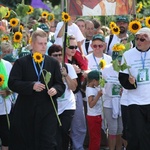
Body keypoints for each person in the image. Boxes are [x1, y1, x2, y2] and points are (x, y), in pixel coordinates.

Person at [8, 30, 65, 150]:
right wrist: (31, 85)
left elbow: (60, 84)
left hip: (47, 109)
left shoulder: (53, 63)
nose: (43, 47)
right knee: (27, 143)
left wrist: (55, 89)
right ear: (32, 44)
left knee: (47, 142)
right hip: (26, 109)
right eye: (40, 43)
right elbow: (12, 83)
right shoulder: (21, 62)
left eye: (45, 43)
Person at [119, 27, 150, 150]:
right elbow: (122, 77)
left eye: (143, 39)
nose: (139, 41)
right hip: (135, 101)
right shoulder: (128, 54)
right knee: (136, 135)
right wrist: (129, 82)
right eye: (137, 38)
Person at [48, 44, 78, 150]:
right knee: (53, 133)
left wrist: (66, 75)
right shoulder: (47, 69)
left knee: (64, 131)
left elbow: (74, 88)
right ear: (49, 56)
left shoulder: (68, 67)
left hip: (67, 106)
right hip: (53, 105)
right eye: (55, 55)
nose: (58, 57)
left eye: (60, 55)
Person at [102, 55, 123, 150]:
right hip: (109, 102)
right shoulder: (106, 69)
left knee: (120, 129)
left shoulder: (125, 69)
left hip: (122, 102)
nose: (119, 63)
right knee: (113, 129)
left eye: (120, 61)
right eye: (117, 61)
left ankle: (119, 148)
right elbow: (101, 86)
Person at [86, 70, 103, 150]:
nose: (99, 82)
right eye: (99, 80)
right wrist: (98, 96)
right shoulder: (90, 90)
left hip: (97, 115)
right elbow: (91, 104)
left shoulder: (94, 88)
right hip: (93, 117)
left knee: (97, 138)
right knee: (95, 139)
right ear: (93, 81)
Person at [0, 46, 12, 150]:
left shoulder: (7, 65)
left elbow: (14, 84)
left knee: (6, 140)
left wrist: (8, 91)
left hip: (5, 110)